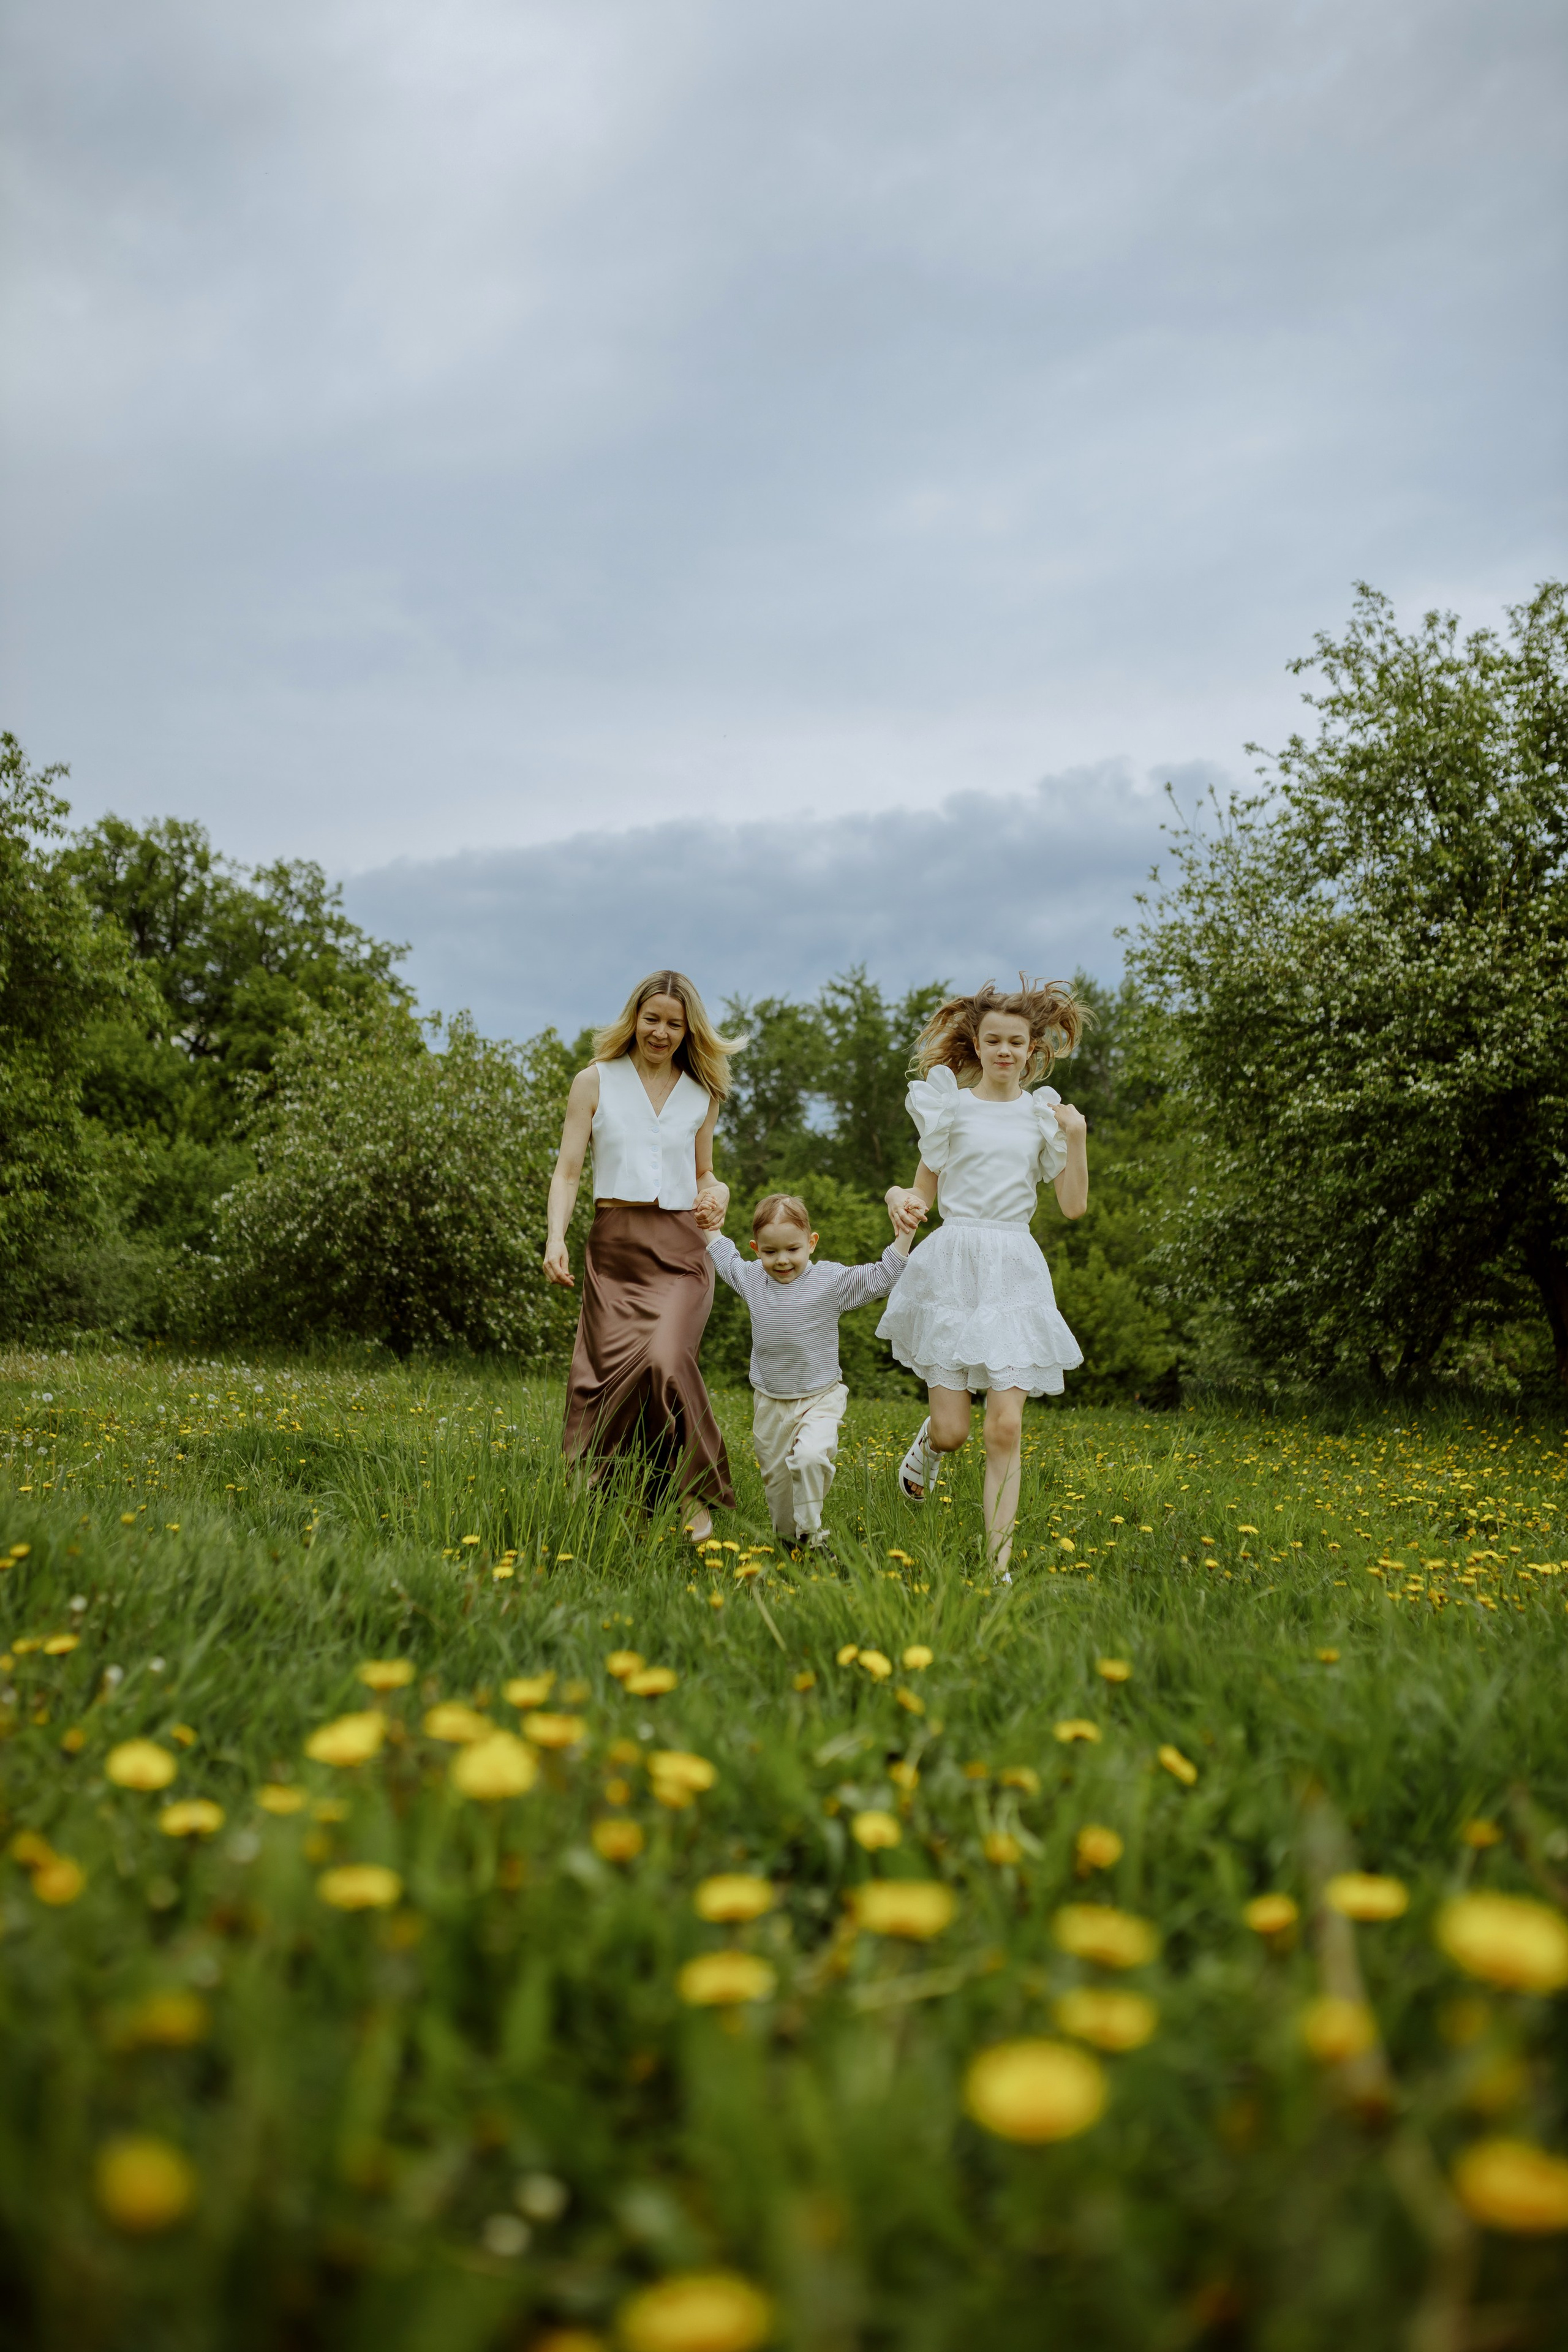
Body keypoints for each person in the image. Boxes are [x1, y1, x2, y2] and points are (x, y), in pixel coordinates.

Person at [879, 978, 1089, 1579]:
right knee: (953, 1432)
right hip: (951, 1265)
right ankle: (928, 1446)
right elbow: (918, 1192)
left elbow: (1072, 1206)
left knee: (1005, 1427)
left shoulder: (1042, 1119)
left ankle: (996, 1572)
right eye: (993, 1039)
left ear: (1032, 1048)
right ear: (976, 1043)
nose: (1004, 1050)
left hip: (1014, 1269)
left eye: (1016, 1042)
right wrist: (899, 1201)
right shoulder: (950, 1109)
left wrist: (1075, 1137)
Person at [543, 970, 739, 1542]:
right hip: (616, 1250)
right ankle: (619, 1499)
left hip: (681, 1252)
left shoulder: (702, 1093)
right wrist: (556, 1237)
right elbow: (569, 1170)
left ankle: (691, 1493)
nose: (661, 1032)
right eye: (652, 1019)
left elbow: (704, 1173)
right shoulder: (595, 1081)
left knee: (667, 1360)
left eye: (674, 1024)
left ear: (688, 1030)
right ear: (635, 1018)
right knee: (604, 1382)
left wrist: (718, 1194)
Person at [707, 1192, 913, 1551]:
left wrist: (905, 1233)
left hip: (820, 1396)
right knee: (779, 1487)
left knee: (810, 1457)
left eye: (793, 1249)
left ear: (811, 1243)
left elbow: (883, 1276)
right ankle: (792, 1542)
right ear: (757, 1249)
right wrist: (710, 1226)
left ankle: (813, 1535)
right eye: (770, 1252)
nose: (782, 1260)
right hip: (770, 1403)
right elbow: (725, 1259)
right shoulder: (753, 1279)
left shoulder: (829, 1282)